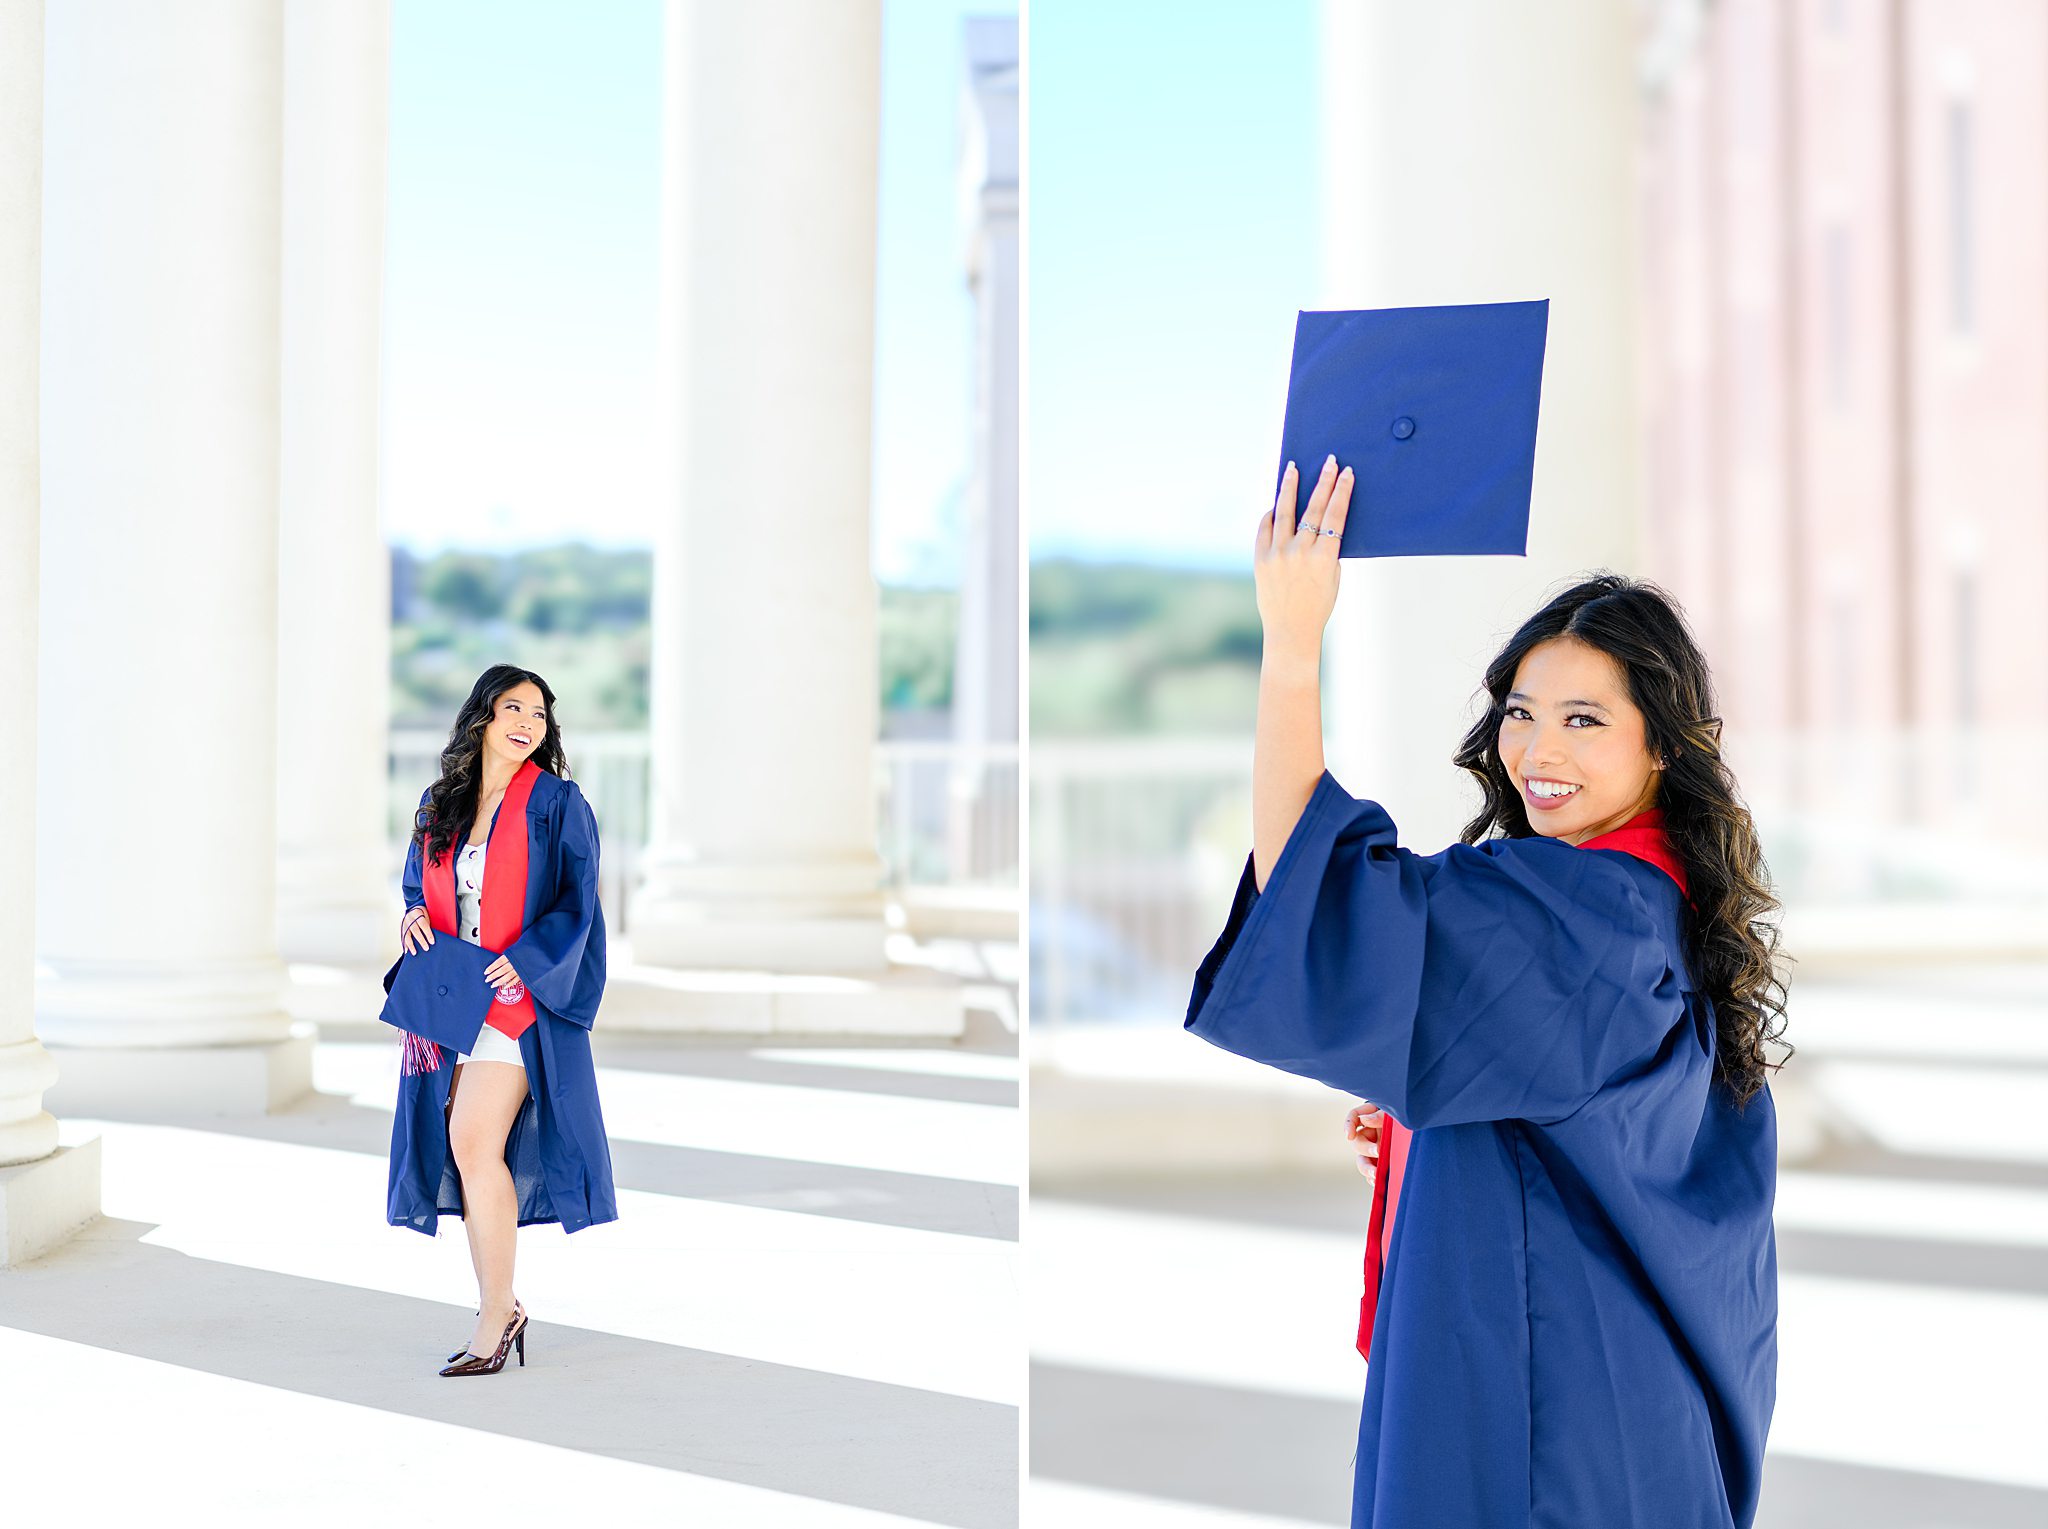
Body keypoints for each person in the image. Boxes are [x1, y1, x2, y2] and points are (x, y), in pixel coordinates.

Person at [1185, 456, 1788, 1527]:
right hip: (1613, 1401)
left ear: (1662, 746)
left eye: (1584, 719)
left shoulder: (1585, 910)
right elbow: (1614, 1138)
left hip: (1544, 1414)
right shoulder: (1658, 895)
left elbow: (1324, 906)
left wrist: (1291, 648)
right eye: (1520, 711)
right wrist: (1431, 1128)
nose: (1537, 750)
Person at [386, 664, 618, 1377]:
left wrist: (528, 958)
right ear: (482, 716)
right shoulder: (442, 802)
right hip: (451, 998)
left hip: (515, 1000)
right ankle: (502, 1304)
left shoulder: (557, 803)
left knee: (472, 1139)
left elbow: (579, 903)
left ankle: (495, 1313)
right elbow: (418, 882)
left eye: (540, 713)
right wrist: (412, 914)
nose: (528, 722)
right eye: (514, 707)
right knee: (467, 1154)